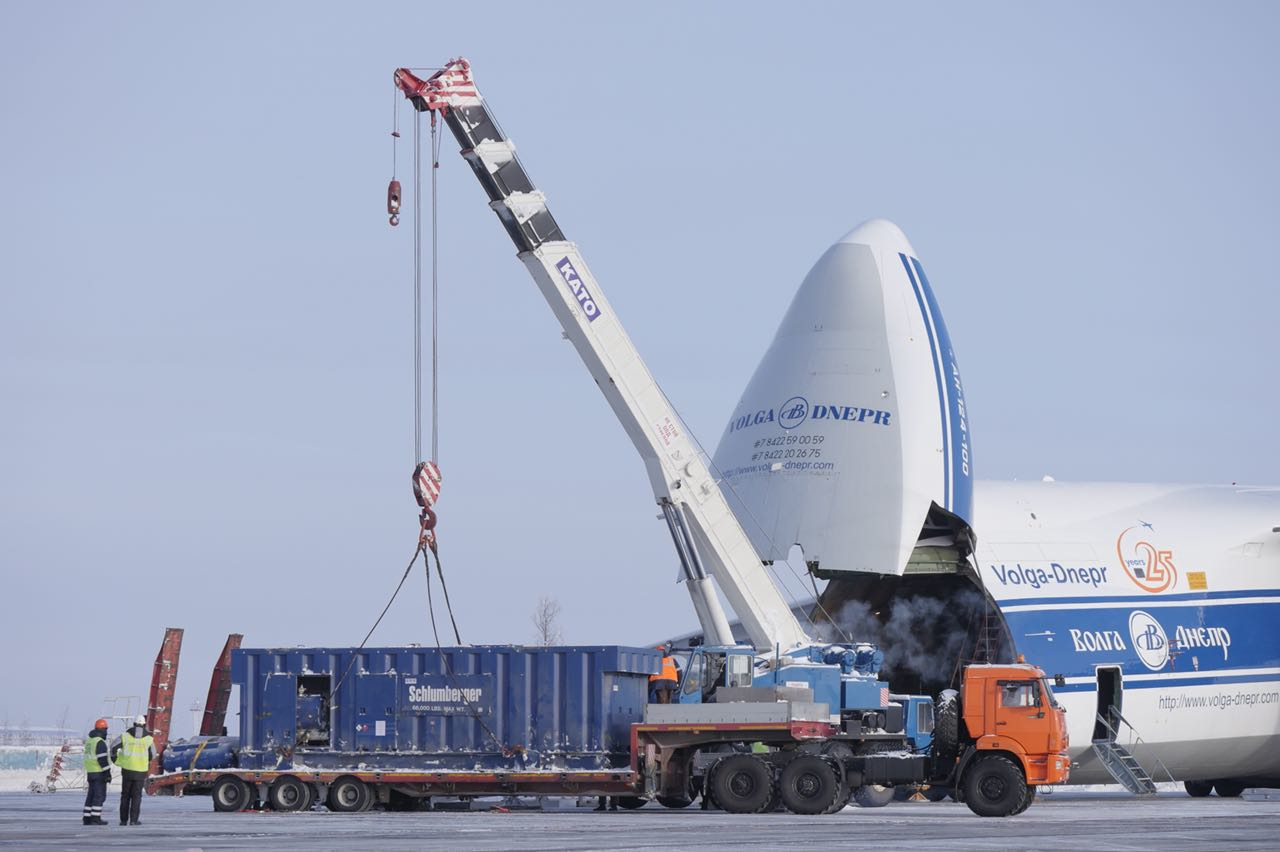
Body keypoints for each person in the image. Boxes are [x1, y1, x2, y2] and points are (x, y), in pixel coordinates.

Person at [110, 714, 156, 826]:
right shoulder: (149, 739)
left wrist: (116, 760)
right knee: (136, 796)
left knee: (125, 796)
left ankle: (123, 820)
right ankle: (134, 820)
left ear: (134, 724)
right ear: (144, 725)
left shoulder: (125, 736)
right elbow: (153, 754)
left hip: (127, 770)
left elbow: (112, 747)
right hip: (140, 771)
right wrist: (145, 761)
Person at [81, 719, 111, 825]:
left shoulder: (90, 741)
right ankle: (95, 817)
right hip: (99, 772)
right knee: (99, 796)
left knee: (91, 795)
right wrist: (107, 773)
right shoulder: (100, 742)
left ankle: (87, 817)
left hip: (90, 772)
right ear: (103, 729)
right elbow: (102, 759)